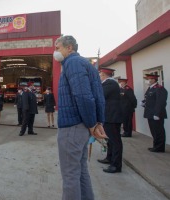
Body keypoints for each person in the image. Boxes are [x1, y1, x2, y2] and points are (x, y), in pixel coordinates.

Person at [54, 35, 107, 200]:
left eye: (58, 48)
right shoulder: (84, 64)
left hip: (73, 127)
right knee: (80, 171)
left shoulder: (73, 63)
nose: (55, 52)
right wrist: (97, 122)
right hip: (81, 126)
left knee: (70, 175)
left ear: (69, 48)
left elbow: (84, 97)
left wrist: (93, 123)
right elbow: (97, 96)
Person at [97, 68, 123, 173]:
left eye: (100, 75)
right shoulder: (107, 84)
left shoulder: (110, 84)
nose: (98, 77)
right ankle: (110, 158)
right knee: (109, 140)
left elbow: (100, 95)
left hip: (112, 117)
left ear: (104, 75)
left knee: (115, 141)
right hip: (108, 116)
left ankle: (116, 165)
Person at [142, 74, 168, 153]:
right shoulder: (151, 88)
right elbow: (150, 99)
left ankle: (159, 147)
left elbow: (160, 102)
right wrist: (143, 103)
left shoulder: (159, 88)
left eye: (149, 79)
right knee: (153, 131)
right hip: (150, 113)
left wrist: (157, 113)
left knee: (158, 131)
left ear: (153, 80)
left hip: (156, 114)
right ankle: (156, 146)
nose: (147, 81)